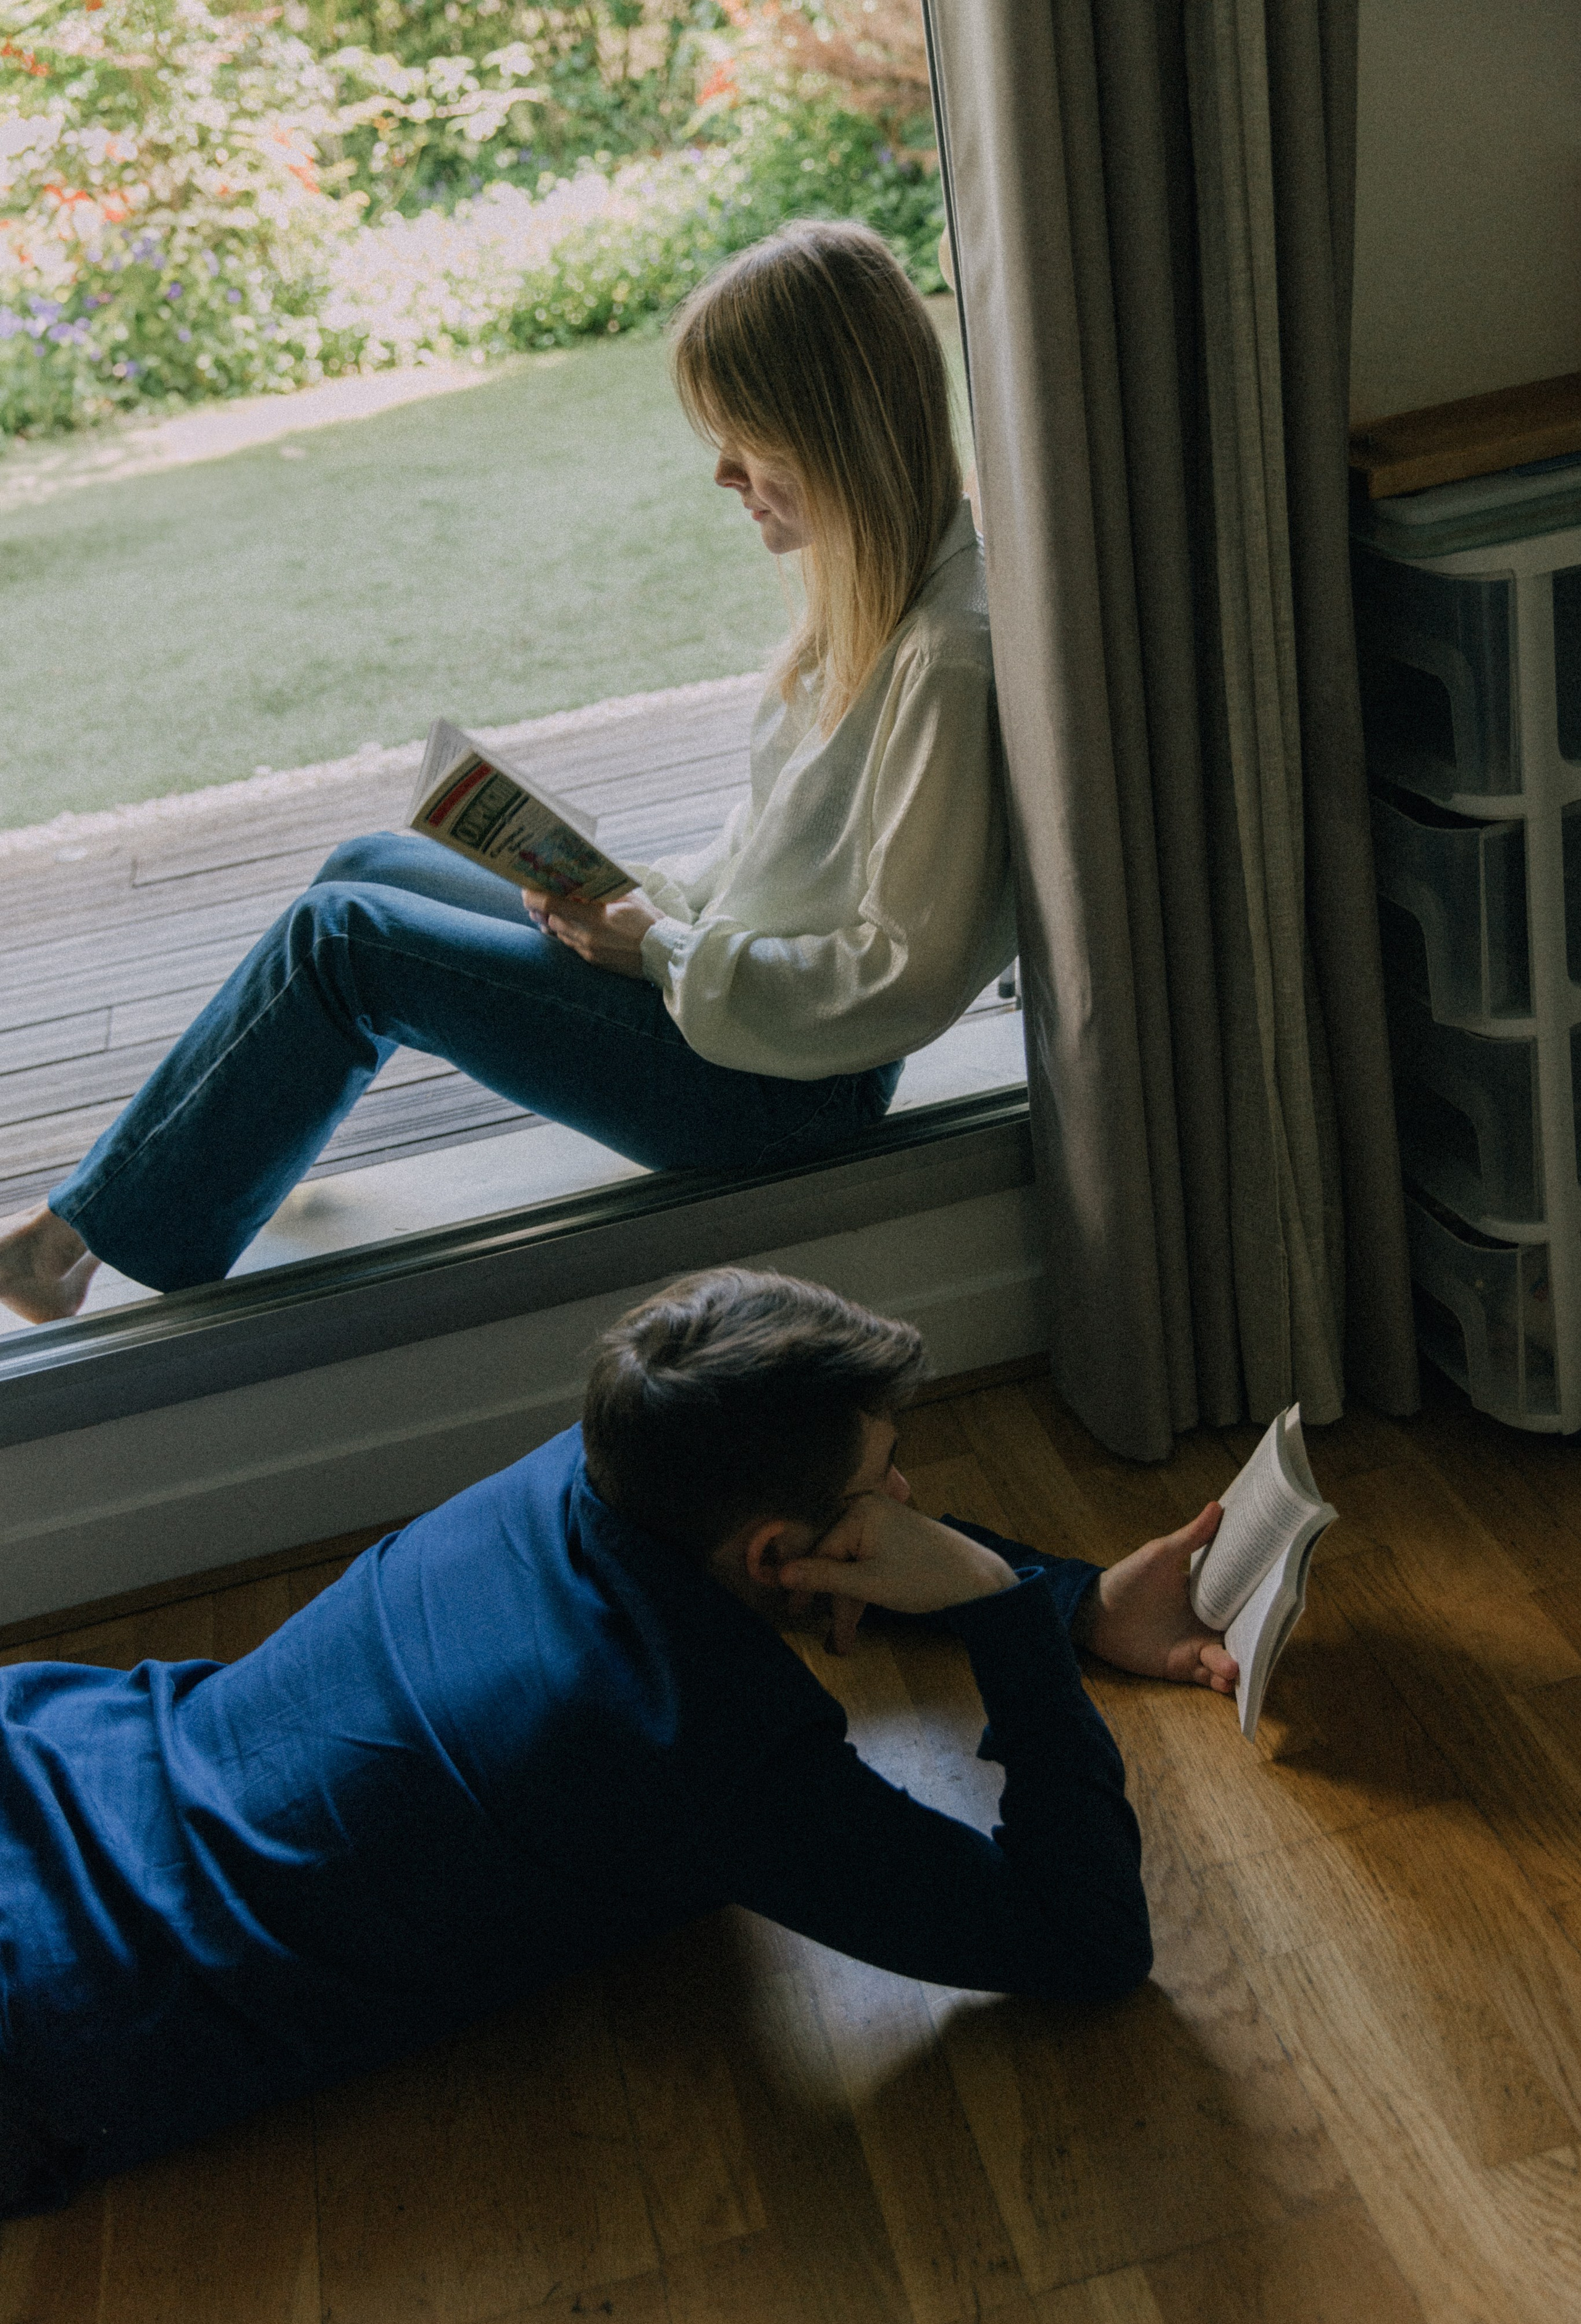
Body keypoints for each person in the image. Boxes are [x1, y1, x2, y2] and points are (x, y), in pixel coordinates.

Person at [0, 1266, 1235, 2220]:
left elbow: (812, 1527)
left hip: (55, 1753)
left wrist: (1072, 1594)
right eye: (887, 1476)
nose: (909, 1498)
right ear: (772, 1551)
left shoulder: (599, 1463)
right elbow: (1086, 1944)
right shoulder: (694, 1740)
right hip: (54, 2016)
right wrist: (1010, 1618)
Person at [0, 219, 1013, 1323]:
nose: (724, 475)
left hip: (783, 1087)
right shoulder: (876, 601)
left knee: (346, 943)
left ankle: (74, 1245)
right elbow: (774, 847)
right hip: (726, 1006)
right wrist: (638, 905)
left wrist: (660, 949)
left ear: (838, 437)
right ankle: (161, 1183)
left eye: (750, 442)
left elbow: (900, 973)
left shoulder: (946, 660)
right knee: (371, 860)